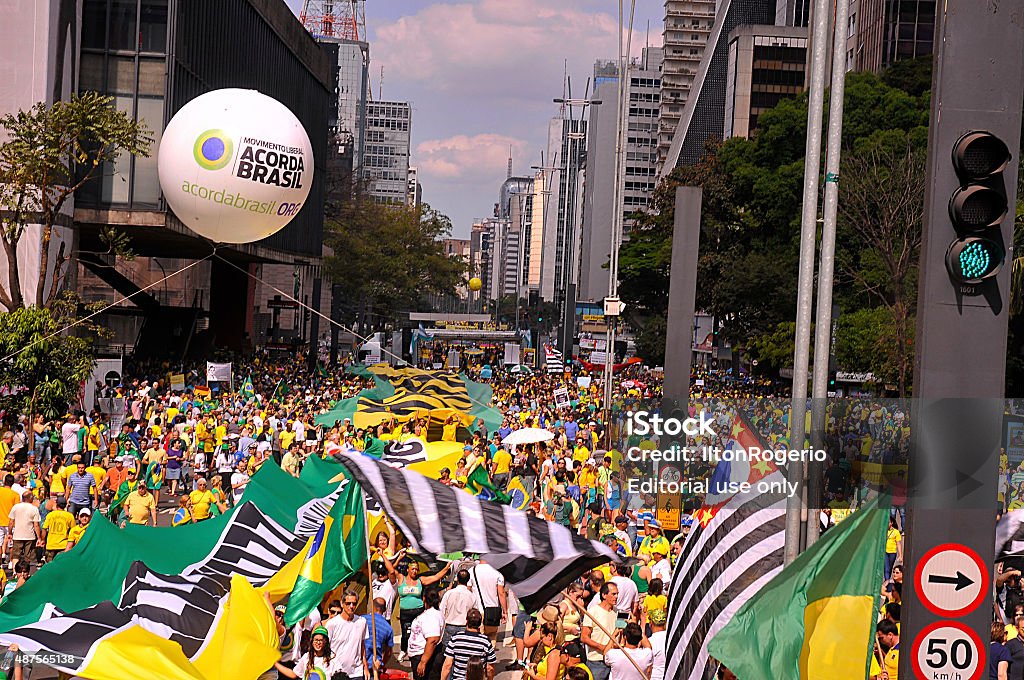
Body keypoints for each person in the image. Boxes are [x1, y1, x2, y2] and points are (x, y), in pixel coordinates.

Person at [383, 553, 451, 661]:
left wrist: (446, 568)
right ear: (408, 570)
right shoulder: (401, 579)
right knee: (405, 634)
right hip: (405, 612)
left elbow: (436, 577)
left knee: (419, 632)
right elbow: (391, 569)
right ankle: (403, 650)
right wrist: (392, 557)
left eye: (416, 569)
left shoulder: (421, 580)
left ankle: (419, 651)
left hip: (418, 611)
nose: (415, 571)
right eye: (413, 569)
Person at [324, 589, 369, 680]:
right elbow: (325, 647)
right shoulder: (332, 624)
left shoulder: (362, 622)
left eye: (354, 603)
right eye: (348, 603)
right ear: (342, 603)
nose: (351, 606)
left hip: (356, 672)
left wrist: (365, 667)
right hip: (337, 672)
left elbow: (362, 646)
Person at [441, 608, 497, 680]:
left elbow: (447, 665)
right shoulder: (485, 641)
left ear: (466, 621)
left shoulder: (456, 638)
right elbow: (490, 668)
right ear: (480, 623)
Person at [581, 582, 619, 680]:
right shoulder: (593, 612)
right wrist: (602, 647)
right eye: (613, 594)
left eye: (617, 594)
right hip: (597, 661)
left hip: (613, 659)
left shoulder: (616, 611)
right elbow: (584, 637)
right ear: (604, 595)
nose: (616, 596)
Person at [275, 625, 343, 679]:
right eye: (316, 640)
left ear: (325, 642)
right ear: (312, 642)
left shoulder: (332, 659)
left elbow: (340, 677)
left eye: (321, 640)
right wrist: (275, 663)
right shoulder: (306, 657)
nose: (318, 643)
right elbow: (294, 674)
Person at [408, 588, 444, 680]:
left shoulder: (431, 616)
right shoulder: (433, 613)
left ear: (424, 598)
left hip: (424, 656)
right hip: (422, 655)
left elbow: (432, 640)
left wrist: (423, 662)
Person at [440, 568, 477, 651]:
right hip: (464, 627)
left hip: (449, 626)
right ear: (468, 580)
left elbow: (441, 610)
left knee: (448, 652)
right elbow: (475, 613)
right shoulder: (471, 596)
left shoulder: (449, 593)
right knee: (462, 651)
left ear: (457, 579)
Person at [470, 559, 507, 641]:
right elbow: (501, 593)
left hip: (476, 611)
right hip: (493, 611)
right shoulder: (497, 573)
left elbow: (468, 591)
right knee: (491, 637)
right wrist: (505, 612)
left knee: (477, 638)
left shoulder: (471, 571)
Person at [4, 491, 40, 568]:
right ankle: (25, 572)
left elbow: (11, 522)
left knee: (16, 555)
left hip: (17, 535)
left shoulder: (16, 507)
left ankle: (15, 572)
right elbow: (36, 525)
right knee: (28, 556)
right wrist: (39, 537)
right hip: (29, 535)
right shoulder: (34, 509)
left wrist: (10, 533)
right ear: (30, 498)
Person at [363, 597, 394, 679]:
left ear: (372, 606)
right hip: (375, 665)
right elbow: (389, 652)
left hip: (359, 665)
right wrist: (381, 663)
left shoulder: (362, 620)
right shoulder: (388, 627)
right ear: (384, 610)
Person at [646, 609, 667, 680]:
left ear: (651, 623)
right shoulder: (670, 637)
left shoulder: (651, 641)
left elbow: (648, 666)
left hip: (654, 677)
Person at [884, 517, 902, 582]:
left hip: (892, 552)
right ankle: (886, 581)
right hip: (885, 552)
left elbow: (898, 544)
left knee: (890, 567)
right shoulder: (883, 530)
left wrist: (900, 555)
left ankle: (887, 580)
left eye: (888, 522)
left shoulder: (896, 532)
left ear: (891, 523)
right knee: (886, 568)